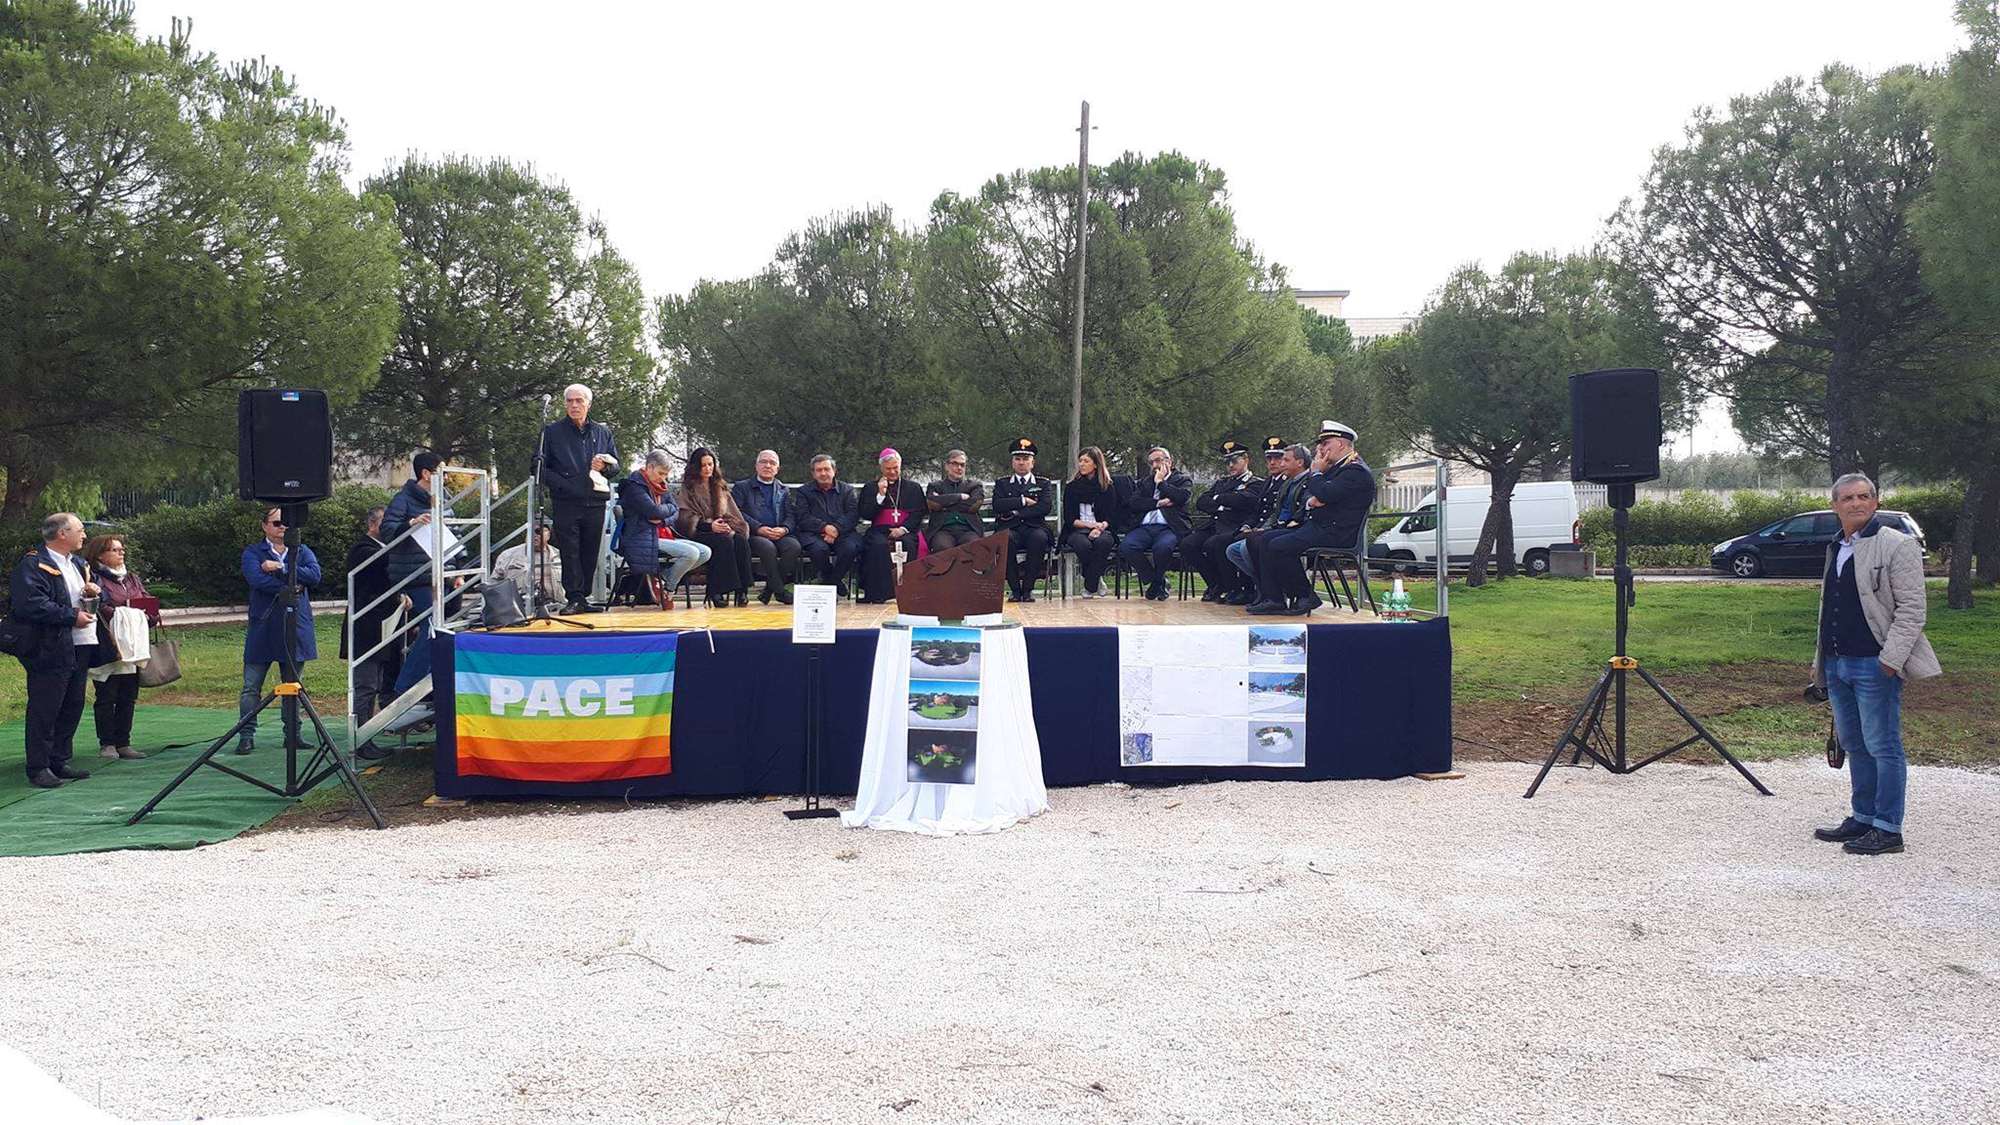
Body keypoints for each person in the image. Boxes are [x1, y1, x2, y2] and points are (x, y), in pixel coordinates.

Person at [1811, 472, 1941, 856]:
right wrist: (1821, 661)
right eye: (1848, 498)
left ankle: (1888, 828)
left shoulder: (1896, 545)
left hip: (1875, 663)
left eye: (1864, 496)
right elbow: (1828, 608)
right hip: (1838, 663)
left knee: (1883, 745)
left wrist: (1891, 660)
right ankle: (1862, 816)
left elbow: (1913, 610)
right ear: (1835, 505)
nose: (1857, 503)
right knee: (1854, 743)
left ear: (1876, 502)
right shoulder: (1837, 546)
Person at [1250, 421, 1376, 616]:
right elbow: (1314, 492)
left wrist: (1316, 473)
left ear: (1341, 444)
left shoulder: (1355, 470)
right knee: (1264, 540)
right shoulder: (1336, 469)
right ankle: (1273, 598)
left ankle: (1305, 596)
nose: (1321, 448)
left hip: (1336, 533)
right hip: (1319, 526)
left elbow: (1324, 492)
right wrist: (1313, 499)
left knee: (1279, 546)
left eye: (1326, 443)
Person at [10, 513, 99, 788]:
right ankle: (38, 766)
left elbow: (80, 597)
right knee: (46, 707)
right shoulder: (34, 564)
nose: (84, 535)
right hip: (49, 646)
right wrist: (71, 616)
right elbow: (30, 604)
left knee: (72, 704)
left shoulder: (78, 563)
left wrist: (93, 592)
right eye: (80, 530)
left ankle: (59, 759)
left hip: (80, 643)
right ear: (62, 534)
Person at [239, 507, 321, 754]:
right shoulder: (253, 552)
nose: (282, 527)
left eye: (286, 523)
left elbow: (315, 575)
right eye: (276, 523)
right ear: (264, 526)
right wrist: (292, 585)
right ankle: (245, 735)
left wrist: (281, 569)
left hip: (295, 626)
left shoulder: (302, 550)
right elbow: (256, 579)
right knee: (251, 686)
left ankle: (293, 735)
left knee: (293, 685)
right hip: (263, 626)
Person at [380, 451, 448, 732]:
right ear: (426, 474)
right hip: (414, 576)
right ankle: (406, 685)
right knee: (433, 624)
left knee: (444, 627)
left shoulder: (443, 500)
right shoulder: (403, 500)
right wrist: (410, 524)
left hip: (440, 575)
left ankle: (430, 686)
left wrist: (455, 567)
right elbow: (387, 531)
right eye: (440, 472)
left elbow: (449, 532)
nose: (445, 478)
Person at [538, 382, 620, 613]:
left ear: (589, 404)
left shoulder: (602, 432)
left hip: (595, 501)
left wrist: (605, 466)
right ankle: (573, 596)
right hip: (566, 502)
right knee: (570, 550)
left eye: (579, 400)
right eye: (570, 401)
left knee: (590, 550)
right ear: (565, 404)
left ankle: (583, 598)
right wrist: (565, 485)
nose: (574, 405)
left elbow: (616, 466)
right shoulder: (552, 432)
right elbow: (539, 467)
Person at [82, 533, 159, 760]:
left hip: (132, 646)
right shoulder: (94, 578)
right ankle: (107, 743)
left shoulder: (131, 578)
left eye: (121, 549)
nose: (121, 553)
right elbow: (100, 606)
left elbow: (146, 599)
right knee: (106, 695)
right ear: (100, 555)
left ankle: (124, 742)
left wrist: (148, 614)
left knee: (128, 694)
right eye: (115, 550)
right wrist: (124, 612)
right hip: (109, 644)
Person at [341, 507, 404, 760]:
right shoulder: (363, 549)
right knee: (365, 685)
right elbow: (379, 567)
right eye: (387, 525)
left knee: (374, 683)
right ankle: (361, 739)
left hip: (379, 627)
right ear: (374, 525)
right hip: (366, 629)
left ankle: (366, 737)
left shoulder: (377, 548)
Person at [618, 450, 713, 606]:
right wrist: (666, 510)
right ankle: (669, 588)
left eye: (666, 475)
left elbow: (675, 511)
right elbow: (654, 510)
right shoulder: (633, 487)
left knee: (705, 552)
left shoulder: (662, 486)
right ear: (649, 467)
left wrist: (662, 520)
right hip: (640, 537)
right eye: (660, 473)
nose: (663, 478)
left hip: (661, 532)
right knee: (691, 553)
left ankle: (664, 577)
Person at [1226, 443, 1309, 606]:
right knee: (1234, 549)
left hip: (1295, 529)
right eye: (1269, 458)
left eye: (1282, 459)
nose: (1276, 463)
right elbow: (1269, 512)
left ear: (1299, 462)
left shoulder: (1306, 480)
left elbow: (1299, 511)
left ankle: (1275, 592)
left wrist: (1266, 529)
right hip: (1276, 527)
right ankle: (1265, 588)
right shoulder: (1284, 482)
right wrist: (1252, 527)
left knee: (1257, 542)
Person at [1184, 441, 1262, 603]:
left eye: (1234, 461)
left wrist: (1218, 499)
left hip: (1234, 525)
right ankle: (1216, 583)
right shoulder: (1222, 482)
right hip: (1215, 524)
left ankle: (1235, 587)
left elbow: (1243, 501)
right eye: (1227, 462)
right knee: (1187, 544)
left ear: (1246, 460)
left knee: (1215, 544)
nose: (1230, 465)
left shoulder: (1255, 483)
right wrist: (1224, 504)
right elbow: (1201, 502)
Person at [674, 447, 752, 607]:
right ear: (696, 467)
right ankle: (717, 591)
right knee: (723, 542)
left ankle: (742, 590)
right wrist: (709, 526)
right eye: (704, 465)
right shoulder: (688, 488)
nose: (708, 468)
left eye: (710, 464)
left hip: (722, 529)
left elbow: (733, 514)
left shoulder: (720, 486)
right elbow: (684, 519)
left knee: (739, 540)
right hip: (698, 532)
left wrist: (728, 526)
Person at [1118, 447, 1194, 601]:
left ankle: (1156, 584)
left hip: (1169, 528)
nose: (1154, 465)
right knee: (1126, 546)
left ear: (1169, 461)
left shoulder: (1182, 480)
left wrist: (1161, 483)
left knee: (1163, 547)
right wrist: (1158, 503)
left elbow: (1181, 497)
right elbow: (1134, 503)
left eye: (1158, 460)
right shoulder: (1146, 482)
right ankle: (1157, 581)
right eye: (1151, 462)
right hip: (1144, 527)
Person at [856, 448, 927, 604]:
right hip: (879, 530)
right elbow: (866, 513)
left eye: (896, 468)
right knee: (877, 546)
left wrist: (903, 529)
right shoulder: (870, 487)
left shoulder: (913, 488)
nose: (893, 472)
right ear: (881, 468)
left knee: (908, 544)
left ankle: (909, 591)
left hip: (906, 529)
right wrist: (880, 495)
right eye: (888, 469)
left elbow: (920, 512)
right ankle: (880, 593)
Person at [731, 449, 802, 605]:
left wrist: (784, 529)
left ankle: (769, 590)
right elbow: (737, 513)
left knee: (794, 546)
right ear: (756, 466)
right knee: (767, 547)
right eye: (763, 462)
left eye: (772, 463)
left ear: (777, 468)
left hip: (779, 533)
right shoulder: (742, 487)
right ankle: (780, 591)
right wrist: (759, 528)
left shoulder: (783, 490)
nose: (767, 465)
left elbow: (791, 515)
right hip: (753, 534)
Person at [991, 438, 1053, 602]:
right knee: (1006, 540)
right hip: (1010, 528)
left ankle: (1028, 589)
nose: (1021, 463)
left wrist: (1015, 512)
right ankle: (1015, 589)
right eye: (1017, 459)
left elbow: (1044, 507)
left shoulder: (1043, 483)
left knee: (1039, 539)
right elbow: (997, 505)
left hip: (1035, 527)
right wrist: (1023, 501)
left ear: (1032, 462)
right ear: (1012, 462)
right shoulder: (1003, 483)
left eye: (1025, 459)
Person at [794, 454, 864, 591]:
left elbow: (853, 514)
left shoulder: (847, 490)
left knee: (851, 548)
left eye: (826, 469)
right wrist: (824, 527)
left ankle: (831, 582)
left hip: (843, 532)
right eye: (819, 470)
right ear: (813, 474)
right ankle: (833, 581)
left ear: (834, 471)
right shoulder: (803, 491)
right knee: (819, 549)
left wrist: (836, 529)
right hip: (814, 533)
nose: (823, 473)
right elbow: (803, 517)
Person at [1061, 447, 1121, 598]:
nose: (1081, 464)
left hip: (1103, 529)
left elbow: (1112, 516)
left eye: (1086, 461)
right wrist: (1090, 526)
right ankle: (1095, 579)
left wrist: (1100, 528)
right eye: (1080, 461)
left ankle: (1089, 585)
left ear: (1096, 464)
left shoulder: (1107, 487)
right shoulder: (1072, 488)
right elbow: (1069, 519)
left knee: (1103, 543)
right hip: (1077, 529)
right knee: (1083, 544)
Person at [492, 517, 562, 609]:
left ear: (549, 535)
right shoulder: (508, 556)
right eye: (531, 530)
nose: (535, 535)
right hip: (519, 612)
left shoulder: (560, 556)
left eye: (539, 531)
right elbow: (493, 584)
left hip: (557, 610)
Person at [924, 450, 986, 551]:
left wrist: (944, 502)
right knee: (942, 547)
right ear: (947, 466)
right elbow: (933, 504)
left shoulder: (974, 486)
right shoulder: (935, 486)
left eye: (962, 465)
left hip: (968, 529)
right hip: (942, 529)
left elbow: (973, 506)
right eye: (955, 464)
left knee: (973, 546)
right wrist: (959, 497)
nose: (959, 468)